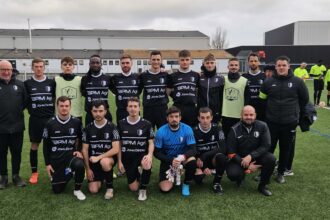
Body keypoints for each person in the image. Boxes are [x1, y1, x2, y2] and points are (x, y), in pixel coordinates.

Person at [259, 56, 309, 184]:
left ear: (288, 66)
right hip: (271, 122)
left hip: (289, 123)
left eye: (283, 65)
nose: (281, 67)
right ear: (275, 67)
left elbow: (304, 100)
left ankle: (281, 173)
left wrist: (296, 115)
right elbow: (262, 101)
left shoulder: (298, 82)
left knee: (285, 149)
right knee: (268, 148)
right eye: (279, 65)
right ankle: (265, 172)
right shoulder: (268, 82)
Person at [226, 105, 276, 196]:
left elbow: (266, 145)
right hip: (239, 159)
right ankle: (240, 177)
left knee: (271, 159)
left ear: (255, 115)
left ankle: (262, 186)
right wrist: (247, 165)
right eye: (246, 115)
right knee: (233, 174)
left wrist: (251, 156)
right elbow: (230, 152)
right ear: (241, 116)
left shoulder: (263, 126)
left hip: (256, 157)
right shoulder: (234, 129)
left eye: (251, 115)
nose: (249, 117)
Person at [43, 96, 86, 200]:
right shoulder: (50, 123)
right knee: (57, 190)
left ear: (70, 107)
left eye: (66, 106)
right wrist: (47, 164)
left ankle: (77, 190)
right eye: (61, 106)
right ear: (57, 107)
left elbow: (82, 138)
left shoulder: (76, 122)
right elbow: (46, 145)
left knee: (79, 164)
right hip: (56, 159)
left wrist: (78, 150)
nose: (64, 108)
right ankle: (70, 173)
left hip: (70, 157)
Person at [24, 58, 56, 184]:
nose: (38, 68)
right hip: (35, 120)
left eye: (41, 66)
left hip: (50, 119)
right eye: (36, 66)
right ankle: (34, 173)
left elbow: (55, 97)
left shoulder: (51, 83)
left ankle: (54, 171)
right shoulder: (27, 83)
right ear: (32, 68)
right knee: (34, 145)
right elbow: (25, 101)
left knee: (53, 146)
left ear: (44, 68)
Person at [154, 106, 197, 197]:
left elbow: (193, 149)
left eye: (176, 116)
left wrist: (183, 157)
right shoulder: (161, 131)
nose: (174, 119)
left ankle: (186, 184)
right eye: (171, 117)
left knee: (192, 161)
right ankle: (172, 174)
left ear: (180, 118)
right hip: (168, 160)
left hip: (183, 158)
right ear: (167, 118)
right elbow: (156, 153)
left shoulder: (187, 129)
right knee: (165, 189)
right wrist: (171, 160)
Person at [117, 97, 154, 201]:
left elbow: (151, 143)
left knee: (146, 163)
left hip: (141, 156)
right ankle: (138, 173)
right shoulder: (121, 123)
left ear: (139, 108)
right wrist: (119, 161)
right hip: (127, 158)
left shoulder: (146, 124)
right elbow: (118, 145)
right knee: (133, 188)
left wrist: (149, 155)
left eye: (135, 106)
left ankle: (143, 190)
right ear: (127, 108)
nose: (133, 109)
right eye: (130, 106)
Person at [82, 101, 120, 200]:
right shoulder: (87, 129)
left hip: (107, 159)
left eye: (100, 111)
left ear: (105, 111)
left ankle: (109, 188)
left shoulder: (112, 127)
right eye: (95, 111)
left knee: (105, 162)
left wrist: (98, 157)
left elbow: (116, 149)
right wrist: (87, 169)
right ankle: (103, 177)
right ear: (91, 112)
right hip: (93, 162)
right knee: (93, 190)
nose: (98, 114)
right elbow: (85, 150)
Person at [0, 60, 27, 189]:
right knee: (1, 154)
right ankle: (3, 177)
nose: (6, 72)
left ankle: (16, 176)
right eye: (3, 69)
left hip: (17, 127)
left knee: (17, 153)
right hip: (1, 128)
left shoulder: (20, 85)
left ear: (12, 70)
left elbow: (25, 103)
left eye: (8, 69)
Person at [193, 107, 227, 194]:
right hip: (200, 160)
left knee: (222, 158)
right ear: (198, 118)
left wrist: (205, 155)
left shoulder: (218, 128)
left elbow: (223, 148)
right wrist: (203, 167)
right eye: (202, 117)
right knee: (198, 180)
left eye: (208, 117)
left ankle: (217, 183)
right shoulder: (193, 131)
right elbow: (192, 150)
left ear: (211, 117)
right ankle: (202, 172)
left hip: (212, 159)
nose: (205, 120)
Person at [167, 50, 200, 127]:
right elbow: (168, 91)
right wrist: (175, 96)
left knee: (191, 131)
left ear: (190, 61)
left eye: (187, 60)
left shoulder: (195, 75)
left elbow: (198, 90)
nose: (184, 62)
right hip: (178, 107)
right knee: (177, 130)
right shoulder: (173, 76)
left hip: (191, 108)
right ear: (178, 61)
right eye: (182, 60)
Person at [140, 50, 169, 129]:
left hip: (162, 109)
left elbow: (170, 89)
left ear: (161, 60)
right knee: (149, 134)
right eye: (153, 59)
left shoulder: (166, 75)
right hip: (148, 109)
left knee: (163, 134)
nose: (156, 62)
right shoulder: (143, 75)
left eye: (158, 59)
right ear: (150, 60)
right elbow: (138, 91)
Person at [81, 55, 112, 125]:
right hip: (90, 114)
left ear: (101, 64)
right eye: (93, 63)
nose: (95, 65)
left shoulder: (107, 78)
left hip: (104, 113)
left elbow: (115, 91)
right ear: (89, 64)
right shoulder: (84, 79)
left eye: (97, 63)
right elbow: (83, 93)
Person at [110, 54, 141, 124]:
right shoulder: (115, 78)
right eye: (123, 63)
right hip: (121, 111)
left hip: (135, 110)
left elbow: (140, 90)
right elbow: (113, 90)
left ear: (131, 63)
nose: (125, 65)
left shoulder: (138, 77)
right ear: (120, 64)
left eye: (127, 63)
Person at [222, 57, 248, 137]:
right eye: (231, 65)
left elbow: (247, 100)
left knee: (238, 139)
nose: (234, 67)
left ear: (239, 67)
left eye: (236, 65)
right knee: (226, 138)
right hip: (225, 115)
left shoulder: (245, 81)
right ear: (228, 67)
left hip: (239, 115)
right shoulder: (223, 80)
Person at [198, 53, 225, 124]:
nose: (210, 65)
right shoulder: (199, 78)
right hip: (202, 111)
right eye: (207, 63)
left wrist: (221, 111)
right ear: (204, 64)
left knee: (214, 131)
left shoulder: (221, 78)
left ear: (215, 64)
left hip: (215, 112)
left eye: (212, 63)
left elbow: (222, 97)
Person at [242, 53, 266, 120]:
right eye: (251, 61)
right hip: (248, 112)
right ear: (248, 62)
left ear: (259, 62)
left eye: (255, 61)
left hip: (262, 111)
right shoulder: (243, 77)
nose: (253, 63)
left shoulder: (264, 77)